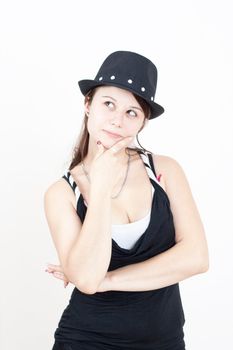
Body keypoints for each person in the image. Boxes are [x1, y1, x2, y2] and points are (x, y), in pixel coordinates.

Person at [44, 50, 209, 350]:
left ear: (143, 122)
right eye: (109, 104)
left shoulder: (164, 171)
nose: (117, 120)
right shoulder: (62, 194)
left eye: (132, 112)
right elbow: (87, 280)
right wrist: (102, 185)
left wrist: (107, 280)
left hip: (166, 340)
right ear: (88, 105)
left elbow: (196, 258)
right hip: (86, 340)